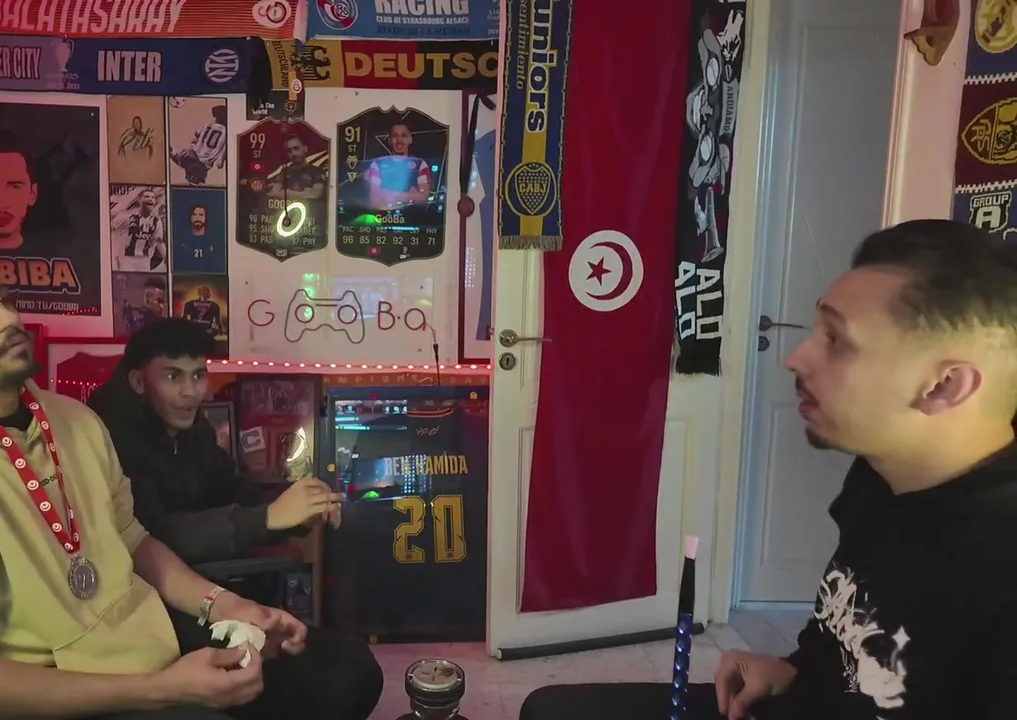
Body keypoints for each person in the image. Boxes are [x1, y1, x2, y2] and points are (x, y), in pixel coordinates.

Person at [0, 232, 382, 720]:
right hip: (49, 692)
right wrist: (163, 691)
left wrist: (225, 605)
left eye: (2, 299)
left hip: (143, 637)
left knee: (346, 672)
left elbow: (130, 538)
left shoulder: (72, 419)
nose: (8, 318)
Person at [520, 220, 1017, 720]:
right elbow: (843, 641)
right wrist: (793, 668)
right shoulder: (881, 473)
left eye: (837, 340)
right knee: (550, 711)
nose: (796, 358)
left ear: (945, 385)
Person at [87, 318, 343, 564]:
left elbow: (233, 492)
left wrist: (301, 509)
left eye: (198, 375)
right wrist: (267, 518)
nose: (190, 391)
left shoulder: (195, 431)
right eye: (173, 377)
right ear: (138, 382)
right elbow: (148, 537)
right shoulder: (108, 437)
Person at [364, 121, 430, 209]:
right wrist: (411, 195)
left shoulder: (421, 165)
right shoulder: (377, 165)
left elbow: (423, 199)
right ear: (389, 140)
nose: (399, 140)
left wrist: (388, 194)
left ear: (410, 139)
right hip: (383, 216)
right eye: (395, 136)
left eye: (404, 135)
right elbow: (374, 200)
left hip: (413, 216)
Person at [172, 105, 228, 185]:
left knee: (174, 153)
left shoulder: (206, 125)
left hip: (191, 154)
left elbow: (194, 139)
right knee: (196, 183)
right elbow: (220, 162)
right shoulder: (226, 133)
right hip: (203, 163)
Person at [266, 135, 326, 202]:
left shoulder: (317, 171)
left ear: (305, 149)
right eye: (289, 151)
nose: (293, 153)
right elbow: (274, 193)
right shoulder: (284, 172)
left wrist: (286, 193)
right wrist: (304, 193)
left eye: (296, 148)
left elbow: (315, 194)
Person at [123, 188, 165, 271]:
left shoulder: (157, 221)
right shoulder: (129, 218)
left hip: (145, 260)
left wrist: (166, 258)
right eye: (147, 196)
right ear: (139, 199)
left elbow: (159, 241)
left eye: (153, 197)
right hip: (127, 259)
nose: (150, 199)